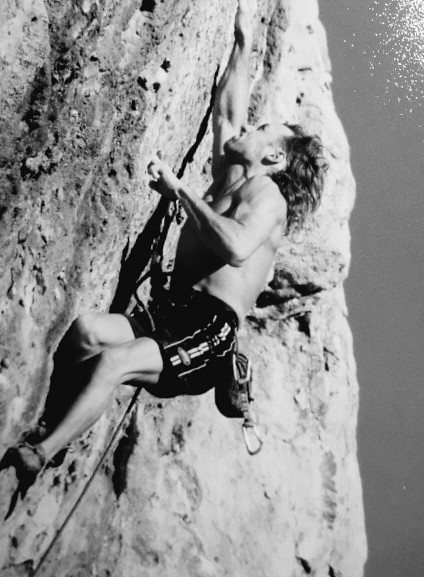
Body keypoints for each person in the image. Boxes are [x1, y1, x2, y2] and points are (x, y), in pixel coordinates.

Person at [12, 0, 327, 480]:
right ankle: (57, 421)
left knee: (115, 361)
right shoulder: (234, 178)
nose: (253, 127)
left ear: (275, 159)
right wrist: (243, 38)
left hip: (210, 328)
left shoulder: (269, 198)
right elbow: (228, 114)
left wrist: (179, 191)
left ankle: (41, 453)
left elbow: (236, 247)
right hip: (174, 310)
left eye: (264, 130)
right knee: (87, 334)